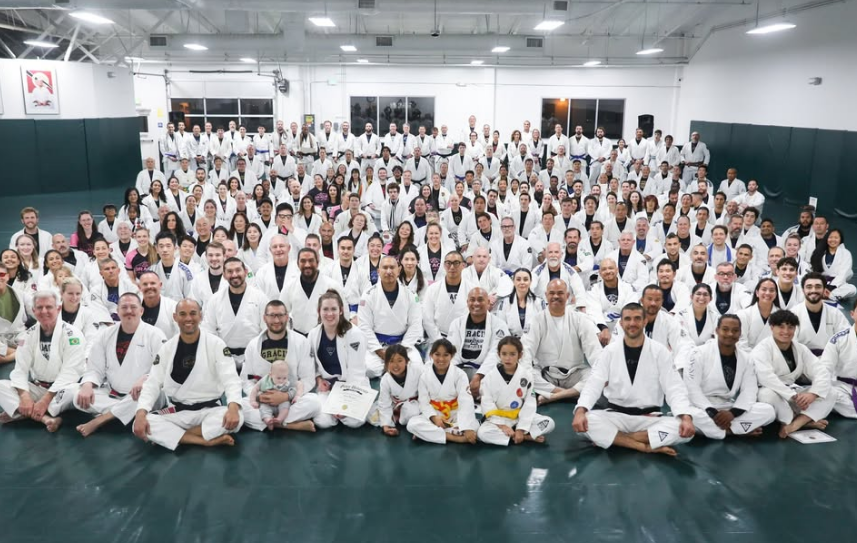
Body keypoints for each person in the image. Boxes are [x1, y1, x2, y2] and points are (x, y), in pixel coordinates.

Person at [573, 303, 696, 456]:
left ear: (645, 321)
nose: (632, 323)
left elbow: (674, 388)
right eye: (628, 319)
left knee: (684, 430)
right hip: (615, 416)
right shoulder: (609, 352)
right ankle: (642, 446)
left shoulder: (660, 351)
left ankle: (618, 439)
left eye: (637, 319)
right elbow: (594, 383)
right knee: (587, 420)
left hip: (649, 418)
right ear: (621, 323)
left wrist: (685, 416)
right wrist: (580, 410)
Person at [132, 299, 243, 450]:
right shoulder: (167, 348)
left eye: (193, 313)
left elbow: (231, 379)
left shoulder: (216, 344)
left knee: (238, 416)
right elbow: (152, 383)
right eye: (182, 314)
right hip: (179, 411)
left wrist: (233, 408)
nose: (188, 318)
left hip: (210, 410)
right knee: (145, 421)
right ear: (175, 317)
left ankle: (177, 437)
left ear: (201, 316)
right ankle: (204, 440)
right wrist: (140, 413)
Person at [73, 293, 167, 437]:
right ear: (117, 311)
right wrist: (87, 384)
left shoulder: (155, 334)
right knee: (76, 395)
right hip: (114, 395)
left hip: (141, 394)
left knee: (148, 395)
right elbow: (95, 367)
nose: (129, 310)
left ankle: (100, 420)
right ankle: (121, 414)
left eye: (133, 307)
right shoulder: (106, 334)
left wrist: (146, 378)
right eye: (124, 307)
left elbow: (163, 368)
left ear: (141, 311)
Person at [0, 291, 86, 432]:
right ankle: (46, 418)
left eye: (49, 307)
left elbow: (70, 373)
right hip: (39, 387)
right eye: (39, 308)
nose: (44, 311)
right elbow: (20, 370)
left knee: (76, 392)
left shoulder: (73, 335)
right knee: (1, 386)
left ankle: (23, 412)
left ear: (58, 309)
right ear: (33, 311)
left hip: (62, 393)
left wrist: (45, 400)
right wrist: (25, 396)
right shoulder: (27, 336)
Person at [683, 315, 775, 439]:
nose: (730, 334)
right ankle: (733, 431)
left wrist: (732, 413)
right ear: (717, 331)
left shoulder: (746, 358)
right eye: (725, 329)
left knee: (768, 411)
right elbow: (692, 389)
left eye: (735, 330)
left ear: (740, 333)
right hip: (701, 406)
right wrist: (712, 412)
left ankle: (720, 429)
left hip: (726, 406)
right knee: (692, 416)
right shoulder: (697, 353)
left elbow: (749, 390)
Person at [753, 309, 836, 438]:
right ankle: (802, 421)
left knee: (831, 392)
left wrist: (813, 393)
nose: (786, 332)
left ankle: (794, 424)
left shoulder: (800, 349)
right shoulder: (761, 349)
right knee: (768, 395)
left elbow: (821, 371)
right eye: (781, 327)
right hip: (771, 392)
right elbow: (766, 378)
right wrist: (792, 396)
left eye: (790, 327)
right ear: (771, 328)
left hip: (793, 393)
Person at [240, 300, 319, 433]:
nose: (276, 320)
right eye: (272, 315)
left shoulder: (301, 342)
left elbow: (308, 379)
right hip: (264, 400)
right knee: (240, 406)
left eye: (280, 315)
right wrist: (261, 397)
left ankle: (271, 421)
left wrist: (286, 396)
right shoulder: (253, 345)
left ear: (287, 317)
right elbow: (246, 380)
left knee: (314, 402)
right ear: (264, 318)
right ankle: (286, 424)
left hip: (289, 399)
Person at [522, 279, 603, 404]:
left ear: (567, 296)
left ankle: (554, 396)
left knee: (596, 375)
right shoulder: (536, 321)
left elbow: (594, 350)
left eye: (560, 293)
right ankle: (570, 394)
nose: (555, 296)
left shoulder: (580, 319)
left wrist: (601, 373)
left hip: (574, 374)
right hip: (546, 376)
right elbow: (526, 351)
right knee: (526, 374)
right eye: (552, 293)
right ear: (546, 295)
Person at [307, 290, 369, 429]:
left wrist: (344, 402)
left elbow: (356, 372)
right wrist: (318, 379)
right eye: (325, 309)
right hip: (328, 386)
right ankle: (331, 411)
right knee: (323, 422)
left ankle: (346, 410)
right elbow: (312, 365)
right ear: (319, 311)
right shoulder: (313, 334)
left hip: (352, 385)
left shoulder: (354, 335)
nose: (330, 314)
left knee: (354, 421)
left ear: (341, 310)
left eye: (334, 309)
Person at [477, 336, 555, 446]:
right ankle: (526, 437)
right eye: (504, 354)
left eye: (512, 354)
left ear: (520, 355)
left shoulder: (526, 376)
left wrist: (521, 428)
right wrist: (502, 425)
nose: (508, 358)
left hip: (519, 417)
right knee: (482, 434)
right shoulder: (489, 377)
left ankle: (518, 435)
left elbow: (529, 404)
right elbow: (487, 404)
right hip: (498, 419)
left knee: (549, 423)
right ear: (499, 355)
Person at [358, 255, 423, 377]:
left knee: (417, 367)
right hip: (378, 345)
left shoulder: (411, 294)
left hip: (403, 344)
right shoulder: (368, 295)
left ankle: (392, 369)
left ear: (399, 270)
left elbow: (415, 325)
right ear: (378, 271)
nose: (388, 271)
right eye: (385, 267)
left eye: (392, 267)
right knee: (369, 369)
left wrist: (400, 352)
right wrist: (380, 352)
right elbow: (364, 327)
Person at [406, 338, 479, 445]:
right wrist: (434, 418)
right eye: (437, 354)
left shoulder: (460, 375)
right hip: (436, 413)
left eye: (446, 355)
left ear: (452, 356)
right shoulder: (424, 376)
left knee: (475, 427)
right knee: (412, 424)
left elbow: (465, 400)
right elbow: (423, 402)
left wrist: (467, 427)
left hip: (455, 413)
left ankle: (429, 434)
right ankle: (453, 437)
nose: (441, 359)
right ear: (431, 355)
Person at [448, 287, 510, 395]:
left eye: (480, 300)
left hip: (486, 372)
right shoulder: (456, 323)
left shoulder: (499, 325)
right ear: (467, 302)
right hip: (460, 370)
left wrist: (479, 375)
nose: (476, 303)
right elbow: (453, 352)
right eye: (472, 300)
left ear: (488, 302)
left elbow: (495, 354)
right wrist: (452, 373)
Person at [282, 248, 348, 336]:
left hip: (326, 336)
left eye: (311, 260)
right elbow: (281, 313)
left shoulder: (332, 285)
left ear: (317, 262)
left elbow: (345, 314)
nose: (307, 265)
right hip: (298, 337)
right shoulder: (289, 286)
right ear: (297, 264)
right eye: (303, 261)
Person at [421, 250, 474, 344]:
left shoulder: (472, 289)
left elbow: (476, 316)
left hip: (464, 339)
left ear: (463, 265)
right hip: (437, 339)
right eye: (448, 263)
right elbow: (427, 319)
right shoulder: (432, 289)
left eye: (456, 263)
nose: (452, 267)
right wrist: (439, 341)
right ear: (444, 265)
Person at [793, 273, 849, 355]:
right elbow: (789, 343)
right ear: (803, 290)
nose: (813, 290)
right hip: (802, 360)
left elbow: (846, 339)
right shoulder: (794, 313)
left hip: (830, 360)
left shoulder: (835, 313)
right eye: (809, 287)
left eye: (818, 287)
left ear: (824, 291)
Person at [375, 344, 423, 436]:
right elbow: (384, 403)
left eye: (400, 360)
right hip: (396, 405)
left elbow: (427, 394)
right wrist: (386, 425)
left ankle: (418, 425)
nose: (395, 365)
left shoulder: (418, 370)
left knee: (411, 411)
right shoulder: (386, 379)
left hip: (417, 405)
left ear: (407, 361)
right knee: (372, 415)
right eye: (391, 361)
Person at [819, 306, 857, 419]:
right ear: (852, 314)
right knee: (830, 395)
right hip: (843, 387)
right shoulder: (838, 339)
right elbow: (825, 368)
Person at [247, 360, 304, 431]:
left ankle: (279, 419)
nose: (282, 381)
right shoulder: (265, 380)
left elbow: (299, 384)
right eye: (278, 378)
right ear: (270, 375)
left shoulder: (288, 381)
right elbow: (255, 389)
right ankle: (268, 421)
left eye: (284, 378)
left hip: (283, 402)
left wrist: (297, 396)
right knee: (262, 408)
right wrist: (253, 401)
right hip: (267, 403)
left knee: (286, 407)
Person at [588, 258, 638, 334]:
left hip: (624, 328)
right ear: (600, 273)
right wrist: (604, 329)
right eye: (604, 269)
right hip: (600, 330)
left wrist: (617, 331)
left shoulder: (629, 288)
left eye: (611, 268)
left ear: (617, 270)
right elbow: (594, 312)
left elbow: (630, 311)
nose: (608, 271)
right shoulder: (593, 289)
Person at [736, 278, 783, 350]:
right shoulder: (743, 315)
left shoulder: (782, 316)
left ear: (776, 294)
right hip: (748, 358)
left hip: (774, 358)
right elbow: (741, 343)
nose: (767, 293)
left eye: (771, 290)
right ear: (757, 293)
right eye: (764, 289)